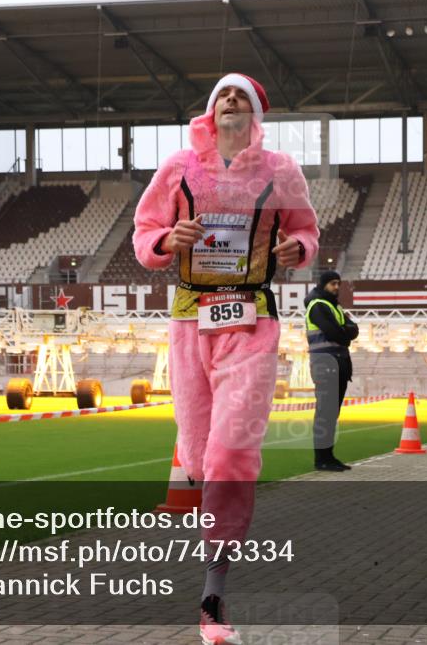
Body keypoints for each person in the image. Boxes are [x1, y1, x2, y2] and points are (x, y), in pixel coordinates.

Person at [133, 72, 319, 645]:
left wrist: (297, 249)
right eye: (222, 94)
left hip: (251, 321)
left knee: (232, 450)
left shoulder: (281, 170)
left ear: (257, 112)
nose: (230, 99)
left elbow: (307, 232)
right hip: (191, 323)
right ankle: (212, 544)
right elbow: (144, 235)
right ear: (211, 112)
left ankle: (213, 593)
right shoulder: (178, 167)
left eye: (241, 94)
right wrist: (169, 241)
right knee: (197, 454)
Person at [304, 270, 359, 470]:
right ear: (323, 284)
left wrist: (345, 333)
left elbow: (354, 329)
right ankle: (322, 460)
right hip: (325, 364)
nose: (336, 287)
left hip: (338, 363)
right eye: (332, 283)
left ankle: (329, 456)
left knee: (331, 414)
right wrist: (345, 334)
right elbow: (337, 332)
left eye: (338, 283)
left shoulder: (333, 306)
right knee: (325, 414)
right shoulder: (318, 305)